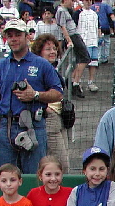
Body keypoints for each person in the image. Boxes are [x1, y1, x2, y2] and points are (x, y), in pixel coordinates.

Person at [0, 19, 63, 175]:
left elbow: (58, 93)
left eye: (18, 35)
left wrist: (35, 95)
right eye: (10, 35)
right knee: (6, 177)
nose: (13, 39)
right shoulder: (0, 66)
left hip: (35, 126)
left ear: (27, 36)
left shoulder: (42, 64)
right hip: (6, 127)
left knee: (34, 177)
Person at [30, 34, 69, 173]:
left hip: (60, 118)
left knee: (62, 163)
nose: (53, 51)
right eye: (48, 49)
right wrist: (46, 108)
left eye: (54, 48)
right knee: (61, 164)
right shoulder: (36, 70)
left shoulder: (52, 69)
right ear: (39, 51)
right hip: (49, 119)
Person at [56, 0, 90, 98]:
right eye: (71, 0)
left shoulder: (66, 10)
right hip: (72, 36)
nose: (72, 3)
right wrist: (69, 40)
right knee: (85, 58)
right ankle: (75, 83)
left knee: (82, 59)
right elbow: (63, 27)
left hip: (75, 34)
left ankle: (73, 81)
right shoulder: (61, 10)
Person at [76, 0, 100, 93]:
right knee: (81, 64)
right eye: (87, 0)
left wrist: (98, 37)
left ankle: (91, 82)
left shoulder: (94, 14)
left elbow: (98, 26)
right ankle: (78, 82)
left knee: (93, 63)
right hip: (83, 42)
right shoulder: (79, 13)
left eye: (90, 1)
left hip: (93, 41)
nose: (89, 2)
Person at [92, 0, 115, 64]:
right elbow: (112, 16)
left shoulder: (92, 7)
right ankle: (105, 58)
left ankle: (98, 58)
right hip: (105, 26)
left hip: (96, 27)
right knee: (106, 42)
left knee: (98, 43)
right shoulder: (106, 6)